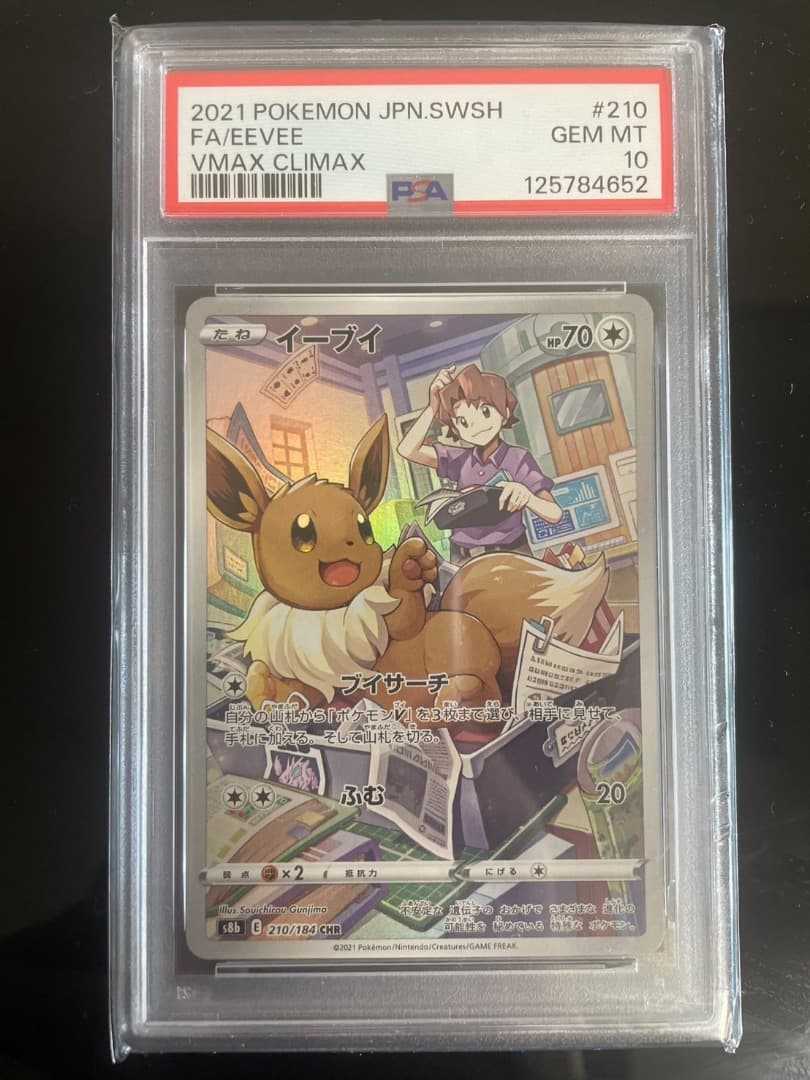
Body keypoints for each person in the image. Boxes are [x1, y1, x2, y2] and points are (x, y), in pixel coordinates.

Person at [398, 363, 563, 562]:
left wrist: (527, 497)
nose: (476, 426)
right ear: (456, 429)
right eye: (463, 421)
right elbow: (406, 450)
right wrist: (433, 406)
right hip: (463, 557)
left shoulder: (518, 458)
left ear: (505, 413)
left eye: (485, 411)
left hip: (511, 554)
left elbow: (555, 514)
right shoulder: (459, 459)